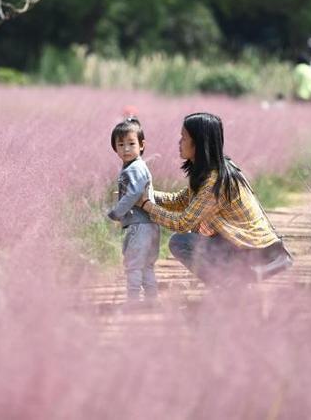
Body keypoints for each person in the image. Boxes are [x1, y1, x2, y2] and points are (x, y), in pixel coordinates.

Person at [135, 112, 291, 287]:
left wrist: (146, 205)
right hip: (243, 246)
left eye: (184, 138)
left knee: (181, 241)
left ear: (199, 144)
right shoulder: (212, 169)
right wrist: (144, 194)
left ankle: (229, 286)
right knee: (195, 233)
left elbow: (182, 223)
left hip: (254, 252)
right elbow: (180, 200)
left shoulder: (214, 180)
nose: (179, 143)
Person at [107, 117, 160, 303]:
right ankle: (152, 300)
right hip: (150, 225)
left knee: (133, 265)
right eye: (120, 144)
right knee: (146, 266)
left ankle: (133, 300)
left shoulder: (133, 168)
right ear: (115, 147)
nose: (126, 149)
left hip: (140, 225)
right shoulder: (137, 167)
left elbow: (135, 193)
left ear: (142, 145)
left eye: (131, 143)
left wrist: (117, 211)